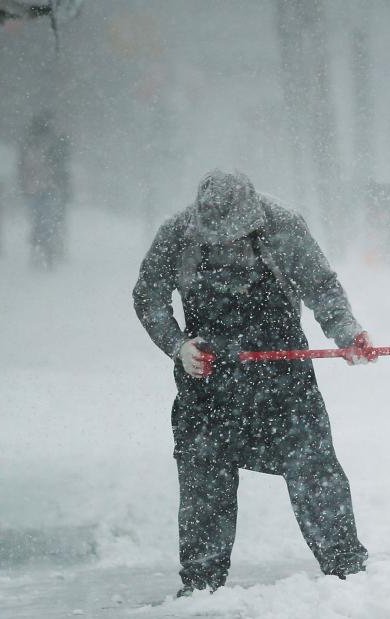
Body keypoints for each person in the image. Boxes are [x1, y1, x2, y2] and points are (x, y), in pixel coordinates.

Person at [133, 171, 374, 596]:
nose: (227, 248)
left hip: (283, 381)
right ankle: (202, 583)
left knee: (314, 469)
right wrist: (178, 345)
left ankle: (346, 570)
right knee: (204, 480)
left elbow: (321, 285)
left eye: (235, 240)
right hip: (207, 383)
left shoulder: (284, 225)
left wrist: (347, 332)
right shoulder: (176, 233)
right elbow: (148, 296)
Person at [18, 111, 71, 268]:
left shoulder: (30, 144)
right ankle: (46, 247)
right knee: (47, 220)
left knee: (41, 220)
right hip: (47, 188)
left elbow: (22, 167)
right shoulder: (53, 144)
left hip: (37, 188)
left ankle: (41, 247)